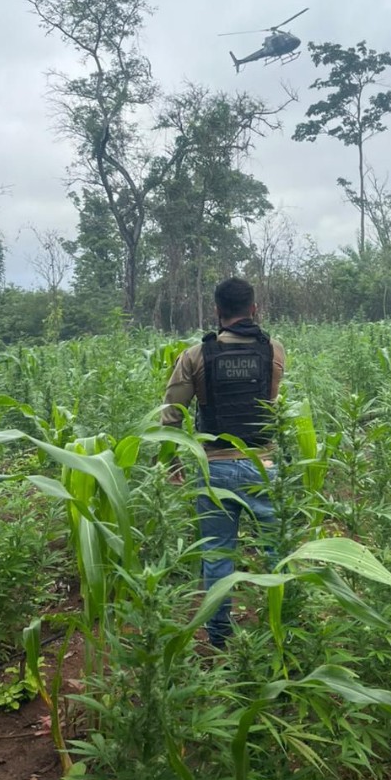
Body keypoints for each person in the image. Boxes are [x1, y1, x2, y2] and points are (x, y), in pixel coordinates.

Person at [161, 277, 286, 650]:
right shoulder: (274, 351)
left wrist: (169, 460)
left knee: (216, 557)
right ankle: (281, 629)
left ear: (217, 310)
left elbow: (172, 413)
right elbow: (270, 401)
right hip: (264, 464)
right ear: (254, 309)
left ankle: (219, 640)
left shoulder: (196, 356)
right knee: (278, 551)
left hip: (213, 468)